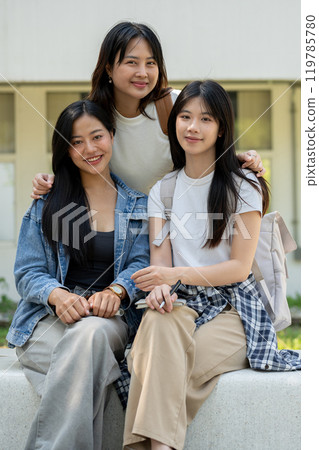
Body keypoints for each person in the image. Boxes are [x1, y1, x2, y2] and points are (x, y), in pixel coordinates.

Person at [123, 80, 301, 450]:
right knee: (157, 320)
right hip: (182, 303)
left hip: (237, 311)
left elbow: (238, 268)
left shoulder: (244, 185)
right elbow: (160, 267)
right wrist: (159, 290)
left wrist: (171, 275)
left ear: (221, 128)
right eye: (185, 116)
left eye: (205, 119)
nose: (193, 127)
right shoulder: (164, 191)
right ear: (174, 124)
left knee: (156, 369)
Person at [6, 100, 149, 450]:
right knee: (86, 368)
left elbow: (142, 264)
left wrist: (116, 291)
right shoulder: (48, 202)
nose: (89, 149)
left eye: (96, 136)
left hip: (107, 320)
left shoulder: (139, 206)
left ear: (112, 136)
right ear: (65, 150)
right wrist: (57, 295)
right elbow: (27, 272)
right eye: (76, 141)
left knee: (89, 340)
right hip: (46, 324)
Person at [31, 21, 265, 198]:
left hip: (177, 228)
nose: (143, 72)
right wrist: (51, 182)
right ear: (109, 68)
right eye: (132, 62)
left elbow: (204, 151)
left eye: (151, 63)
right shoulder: (92, 116)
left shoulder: (175, 105)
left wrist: (237, 159)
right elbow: (80, 162)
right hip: (119, 233)